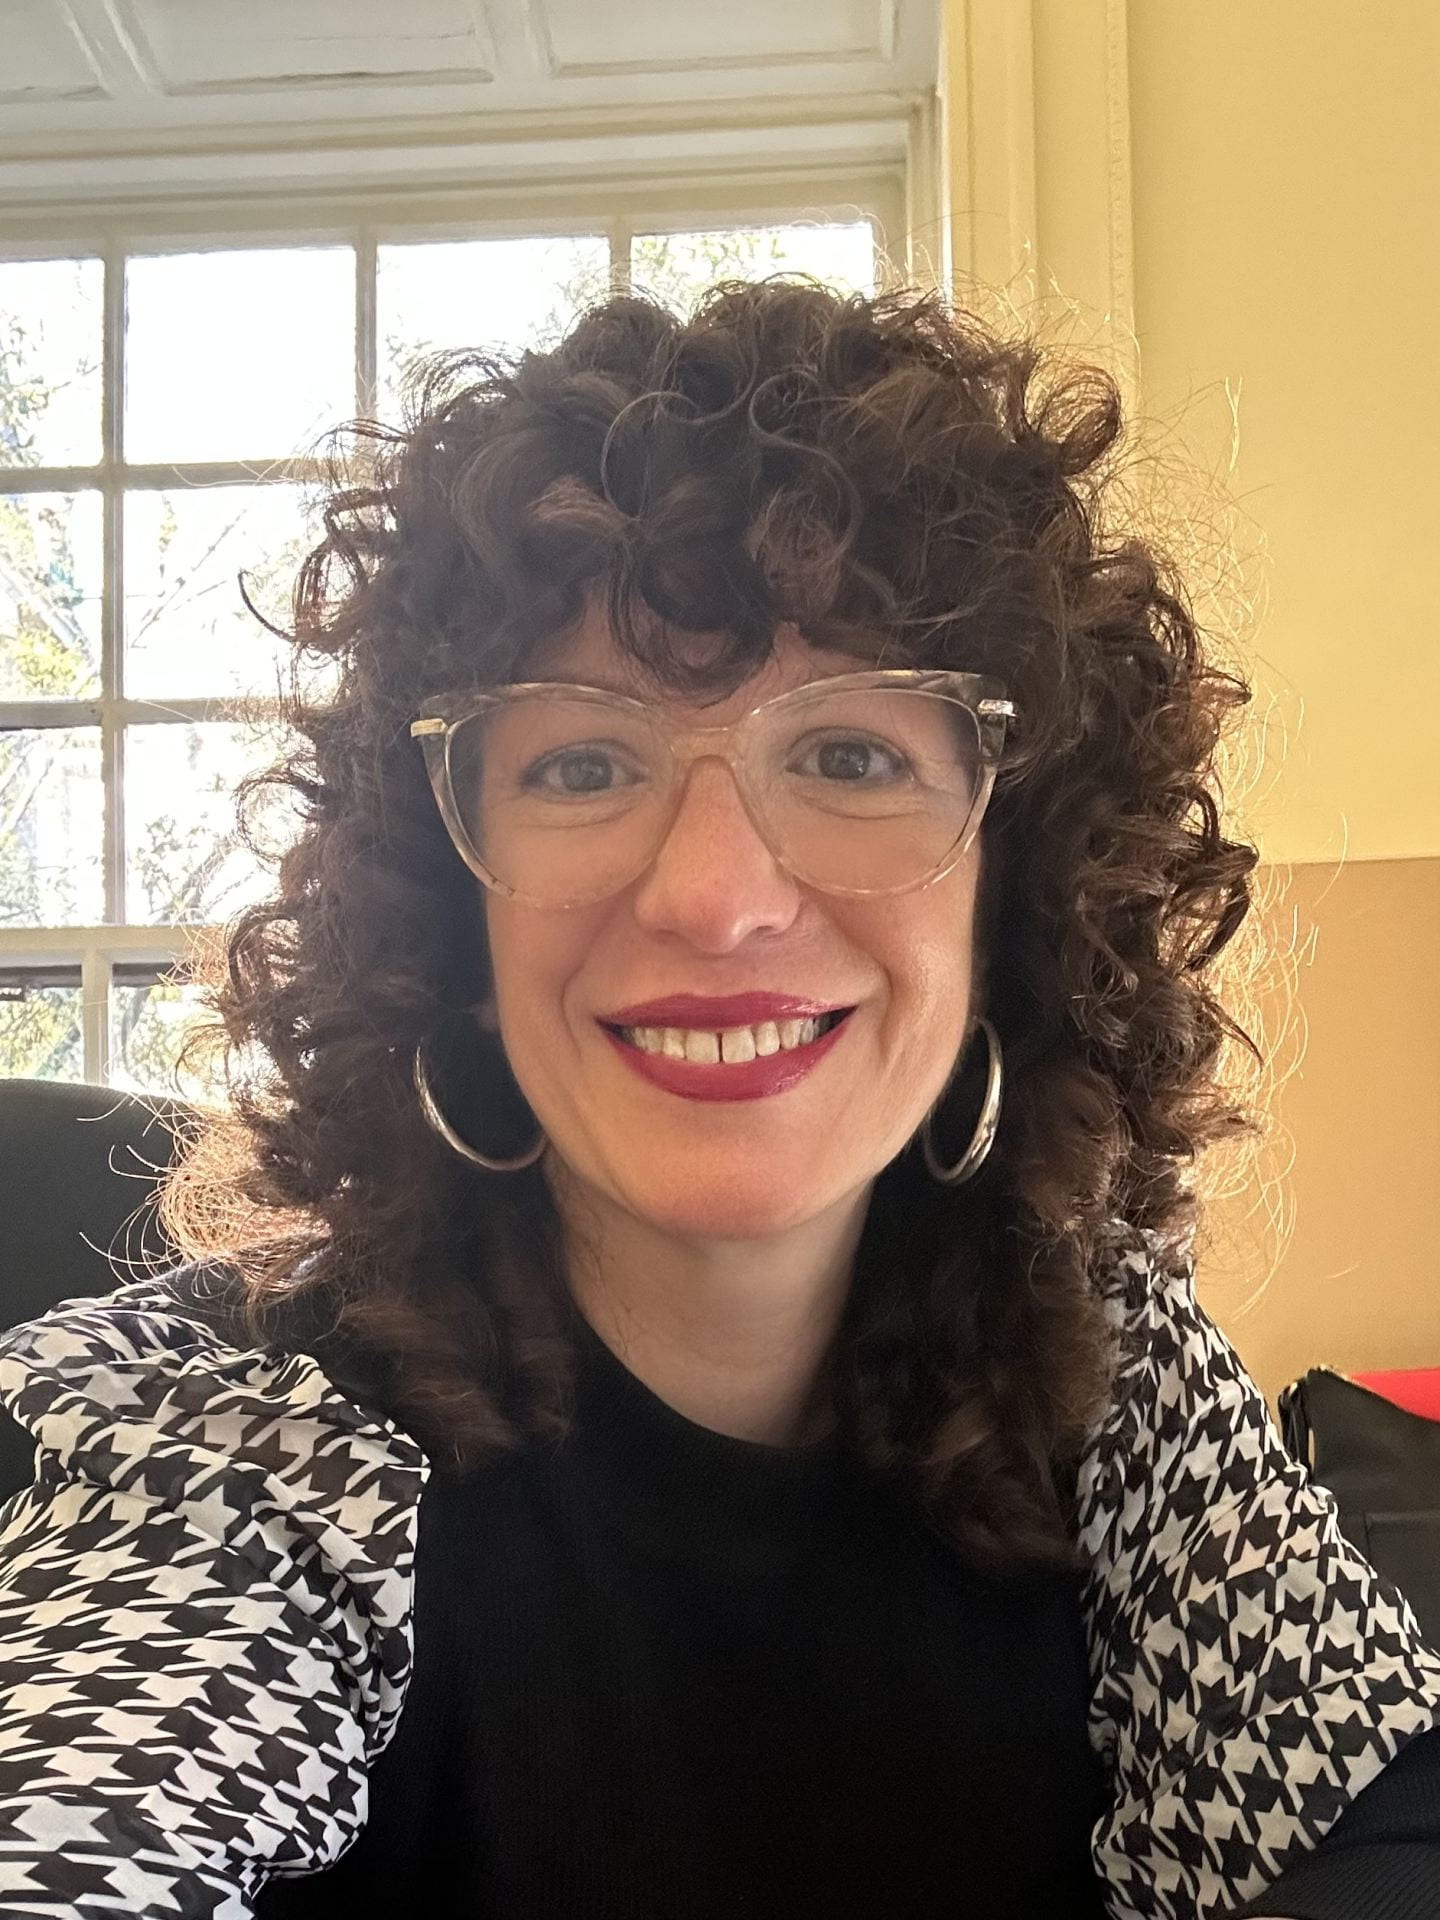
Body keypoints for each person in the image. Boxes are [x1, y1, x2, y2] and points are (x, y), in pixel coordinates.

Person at [0, 279, 1436, 1920]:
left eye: (847, 756)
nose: (713, 895)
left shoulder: (1112, 1376)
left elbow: (1381, 1830)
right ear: (448, 913)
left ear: (1017, 886)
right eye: (582, 765)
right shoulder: (249, 1439)